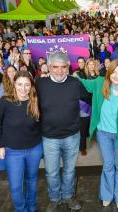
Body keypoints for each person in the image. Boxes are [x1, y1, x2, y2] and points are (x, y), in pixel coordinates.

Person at [78, 59, 118, 208]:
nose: (117, 76)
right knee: (108, 165)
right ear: (109, 73)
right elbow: (82, 83)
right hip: (103, 134)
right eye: (114, 72)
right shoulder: (100, 83)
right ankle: (107, 194)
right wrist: (69, 74)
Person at [36, 52, 90, 211]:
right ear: (49, 67)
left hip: (72, 136)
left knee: (69, 170)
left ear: (68, 67)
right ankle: (54, 198)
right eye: (55, 67)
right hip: (49, 137)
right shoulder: (40, 84)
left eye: (63, 67)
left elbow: (90, 98)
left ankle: (68, 196)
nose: (59, 71)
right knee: (51, 172)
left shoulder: (75, 83)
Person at [0, 71, 43, 212]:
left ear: (31, 86)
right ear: (14, 84)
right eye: (20, 84)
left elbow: (40, 124)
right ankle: (21, 209)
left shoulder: (35, 101)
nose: (23, 88)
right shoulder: (4, 101)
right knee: (16, 186)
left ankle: (32, 208)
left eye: (27, 85)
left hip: (34, 149)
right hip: (13, 151)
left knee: (31, 181)